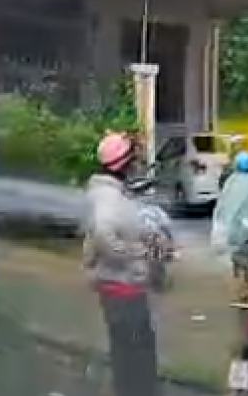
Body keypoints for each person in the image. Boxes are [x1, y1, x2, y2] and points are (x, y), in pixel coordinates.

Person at [82, 131, 175, 396]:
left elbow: (121, 228)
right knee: (136, 360)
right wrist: (138, 254)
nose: (137, 165)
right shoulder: (108, 198)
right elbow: (103, 234)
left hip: (122, 288)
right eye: (133, 159)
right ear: (123, 164)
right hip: (123, 290)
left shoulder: (112, 193)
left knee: (129, 355)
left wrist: (151, 240)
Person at [213, 150, 248, 302]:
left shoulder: (230, 182)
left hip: (229, 232)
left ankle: (242, 290)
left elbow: (220, 207)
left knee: (238, 261)